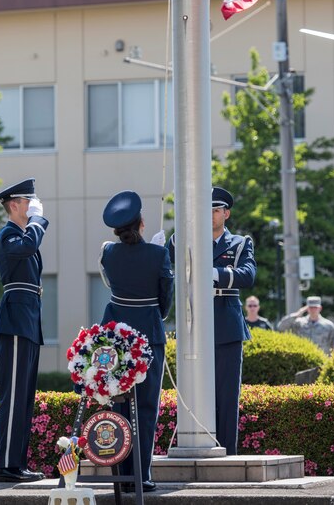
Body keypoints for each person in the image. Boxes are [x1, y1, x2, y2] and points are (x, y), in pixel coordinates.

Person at [157, 186, 256, 455]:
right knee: (193, 393)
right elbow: (166, 261)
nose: (210, 215)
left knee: (226, 396)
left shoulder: (239, 242)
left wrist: (213, 272)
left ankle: (227, 453)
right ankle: (196, 447)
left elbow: (247, 275)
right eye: (206, 210)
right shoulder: (188, 240)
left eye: (215, 210)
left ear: (226, 213)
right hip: (193, 324)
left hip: (226, 323)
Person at [99, 190, 174, 492]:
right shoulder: (158, 254)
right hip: (148, 337)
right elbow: (165, 300)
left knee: (118, 406)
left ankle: (122, 473)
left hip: (115, 339)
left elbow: (110, 279)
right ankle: (141, 476)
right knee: (145, 409)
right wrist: (158, 258)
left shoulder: (108, 252)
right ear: (142, 223)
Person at [0, 178, 49, 484]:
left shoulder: (21, 234)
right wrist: (39, 220)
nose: (33, 207)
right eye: (28, 202)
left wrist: (35, 222)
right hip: (14, 321)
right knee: (13, 397)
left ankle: (17, 464)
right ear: (14, 205)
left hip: (27, 321)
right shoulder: (9, 235)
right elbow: (29, 245)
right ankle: (5, 465)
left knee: (24, 397)